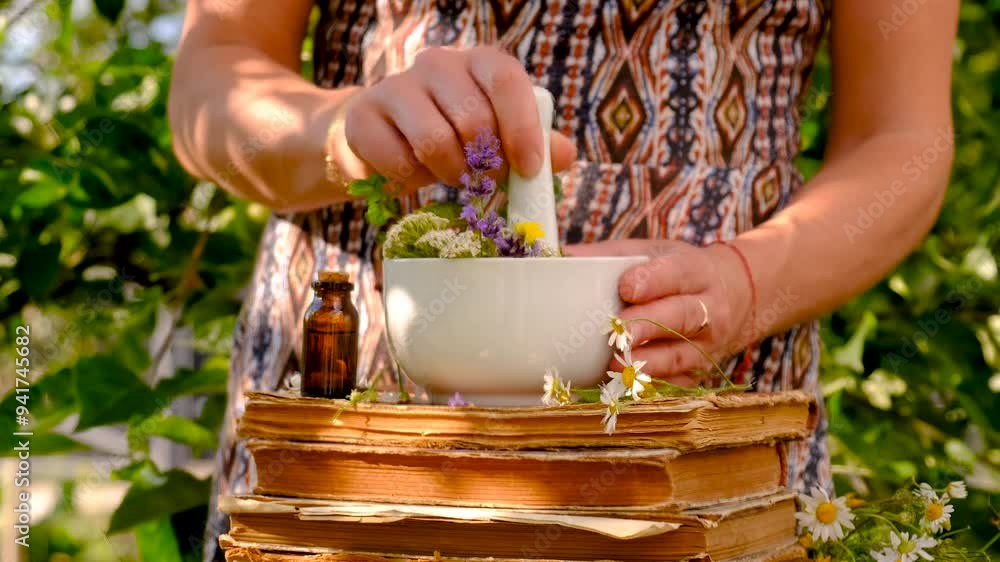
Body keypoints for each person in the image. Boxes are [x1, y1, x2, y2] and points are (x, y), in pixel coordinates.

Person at [168, 1, 958, 559]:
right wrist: (341, 133)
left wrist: (746, 286)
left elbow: (903, 139)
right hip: (362, 439)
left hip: (701, 438)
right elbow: (212, 83)